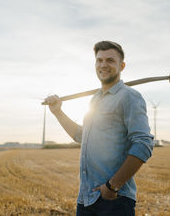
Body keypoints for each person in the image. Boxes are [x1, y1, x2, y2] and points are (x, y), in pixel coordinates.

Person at [44, 41, 154, 215]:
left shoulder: (129, 96)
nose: (104, 65)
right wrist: (58, 112)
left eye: (110, 60)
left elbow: (143, 144)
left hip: (114, 201)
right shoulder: (94, 100)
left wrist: (112, 186)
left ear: (122, 66)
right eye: (99, 60)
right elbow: (82, 136)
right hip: (86, 199)